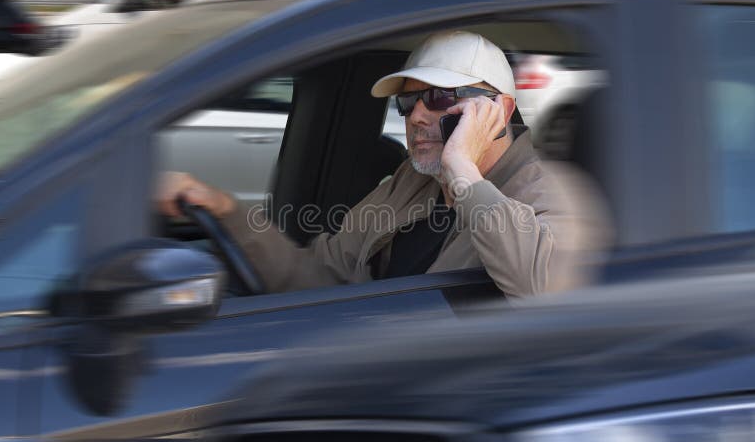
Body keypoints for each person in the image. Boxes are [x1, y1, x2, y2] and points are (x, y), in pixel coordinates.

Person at [159, 30, 606, 298]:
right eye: (408, 103)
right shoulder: (412, 182)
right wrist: (226, 212)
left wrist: (464, 173)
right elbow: (317, 277)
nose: (417, 116)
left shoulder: (551, 189)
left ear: (499, 111)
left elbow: (542, 288)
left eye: (440, 98)